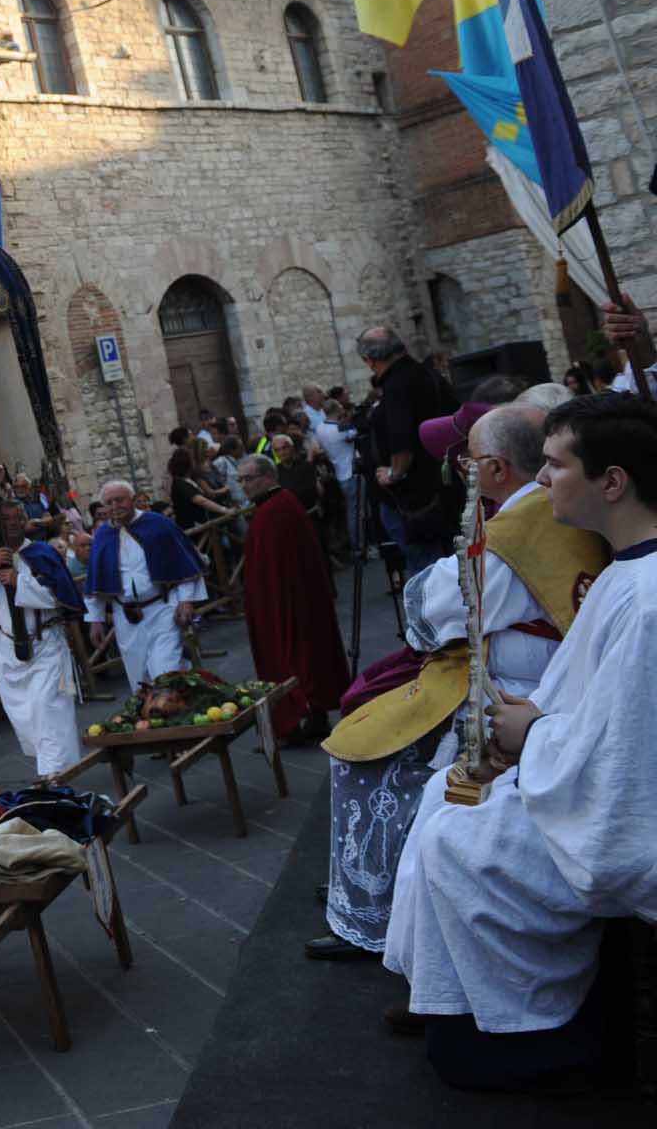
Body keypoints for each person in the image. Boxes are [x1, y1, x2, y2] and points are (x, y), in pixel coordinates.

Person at [382, 394, 657, 1090]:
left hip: (605, 808)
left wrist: (533, 734)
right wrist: (528, 729)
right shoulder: (627, 574)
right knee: (447, 816)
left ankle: (538, 1039)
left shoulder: (647, 598)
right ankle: (479, 1021)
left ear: (612, 481)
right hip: (558, 764)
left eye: (557, 466)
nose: (541, 481)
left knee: (457, 843)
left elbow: (628, 754)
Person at [312, 403, 599, 964]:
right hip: (522, 683)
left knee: (374, 761)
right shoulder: (534, 514)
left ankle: (382, 912)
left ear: (494, 469)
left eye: (466, 459)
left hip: (517, 697)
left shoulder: (524, 525)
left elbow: (442, 600)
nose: (457, 468)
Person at [0, 500, 87, 777]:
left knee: (48, 710)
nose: (14, 523)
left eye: (19, 517)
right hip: (6, 649)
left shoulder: (42, 553)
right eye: (6, 519)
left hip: (45, 645)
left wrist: (22, 583)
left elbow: (62, 599)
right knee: (27, 717)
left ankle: (55, 777)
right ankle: (53, 769)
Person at [235, 454, 351, 743]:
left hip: (289, 605)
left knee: (296, 658)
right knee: (304, 658)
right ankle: (313, 713)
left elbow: (280, 568)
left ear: (268, 477)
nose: (244, 486)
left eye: (249, 479)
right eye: (241, 480)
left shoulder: (276, 510)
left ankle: (305, 714)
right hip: (291, 601)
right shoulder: (274, 507)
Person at [84, 480, 207, 692]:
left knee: (166, 670)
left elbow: (183, 564)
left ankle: (176, 711)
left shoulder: (158, 524)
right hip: (126, 618)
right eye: (110, 502)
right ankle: (155, 721)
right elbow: (96, 580)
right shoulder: (103, 536)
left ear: (132, 500)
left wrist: (186, 601)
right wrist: (95, 620)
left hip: (162, 610)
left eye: (120, 500)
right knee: (140, 681)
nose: (115, 506)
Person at [358, 326, 459, 575]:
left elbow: (402, 441)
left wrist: (394, 472)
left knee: (429, 572)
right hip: (439, 487)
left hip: (415, 498)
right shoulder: (425, 374)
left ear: (369, 360)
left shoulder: (398, 385)